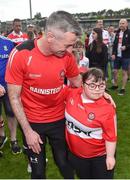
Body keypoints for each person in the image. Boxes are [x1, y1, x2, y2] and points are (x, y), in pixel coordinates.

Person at [5, 10, 82, 179]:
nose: (70, 51)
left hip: (58, 119)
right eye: (67, 45)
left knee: (64, 164)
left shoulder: (66, 56)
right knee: (38, 171)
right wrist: (27, 131)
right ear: (50, 37)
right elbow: (14, 97)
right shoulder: (21, 54)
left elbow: (78, 83)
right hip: (32, 123)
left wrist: (99, 97)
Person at [64, 68, 117, 179]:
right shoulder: (72, 94)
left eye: (101, 85)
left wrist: (110, 157)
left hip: (99, 158)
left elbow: (110, 136)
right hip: (77, 156)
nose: (97, 89)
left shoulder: (107, 109)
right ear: (82, 85)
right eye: (92, 85)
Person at [0, 35, 21, 154]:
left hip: (8, 85)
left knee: (11, 112)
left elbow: (16, 61)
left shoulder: (9, 43)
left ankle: (13, 139)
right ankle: (2, 136)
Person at [111, 18, 130, 95]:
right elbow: (115, 44)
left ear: (126, 24)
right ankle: (115, 85)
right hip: (117, 56)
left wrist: (126, 47)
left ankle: (123, 88)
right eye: (120, 23)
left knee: (124, 72)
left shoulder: (129, 32)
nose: (121, 25)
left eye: (123, 23)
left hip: (126, 56)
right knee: (114, 71)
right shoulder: (117, 33)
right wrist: (113, 53)